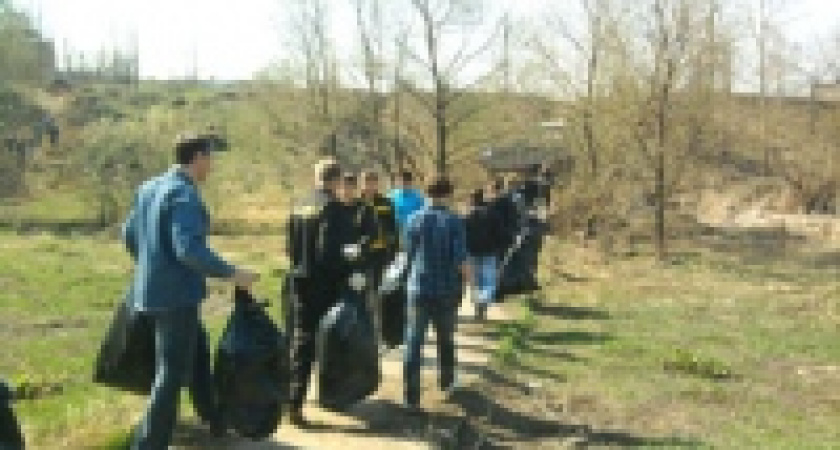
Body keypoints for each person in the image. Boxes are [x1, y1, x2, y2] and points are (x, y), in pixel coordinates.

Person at [123, 133, 259, 449]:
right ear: (197, 158)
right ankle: (148, 445)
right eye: (210, 158)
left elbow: (129, 235)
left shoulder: (149, 187)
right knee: (170, 374)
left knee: (197, 348)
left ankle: (214, 417)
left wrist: (150, 265)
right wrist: (233, 273)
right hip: (176, 297)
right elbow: (188, 250)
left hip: (149, 292)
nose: (212, 165)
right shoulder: (184, 195)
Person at [286, 160, 363, 427]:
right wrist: (350, 267)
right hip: (325, 284)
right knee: (333, 341)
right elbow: (330, 252)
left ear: (316, 177)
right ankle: (332, 395)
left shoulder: (299, 205)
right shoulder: (334, 209)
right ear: (337, 180)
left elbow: (291, 246)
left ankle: (294, 400)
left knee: (302, 340)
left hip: (299, 279)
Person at [403, 175, 470, 411]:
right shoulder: (453, 221)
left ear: (427, 192)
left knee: (413, 343)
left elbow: (408, 256)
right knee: (446, 339)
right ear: (448, 194)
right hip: (445, 289)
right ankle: (447, 382)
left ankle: (411, 397)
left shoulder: (413, 220)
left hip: (417, 287)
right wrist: (467, 282)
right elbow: (460, 260)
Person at [464, 189, 501, 320]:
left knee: (475, 282)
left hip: (471, 253)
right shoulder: (493, 215)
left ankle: (478, 308)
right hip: (489, 252)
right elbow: (500, 234)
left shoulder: (467, 216)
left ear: (472, 200)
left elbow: (462, 235)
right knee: (488, 281)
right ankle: (483, 305)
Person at [388, 171, 426, 246]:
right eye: (400, 181)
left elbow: (424, 216)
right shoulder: (390, 196)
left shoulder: (419, 197)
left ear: (410, 182)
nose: (402, 183)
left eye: (405, 181)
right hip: (394, 233)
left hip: (413, 233)